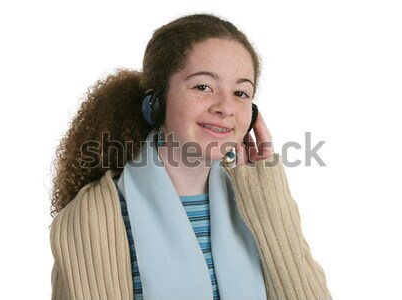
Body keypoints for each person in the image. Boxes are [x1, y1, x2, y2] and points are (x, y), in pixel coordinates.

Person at [50, 13, 331, 300]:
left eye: (241, 93)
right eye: (202, 87)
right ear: (155, 102)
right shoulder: (93, 216)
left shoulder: (258, 205)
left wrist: (268, 197)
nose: (226, 107)